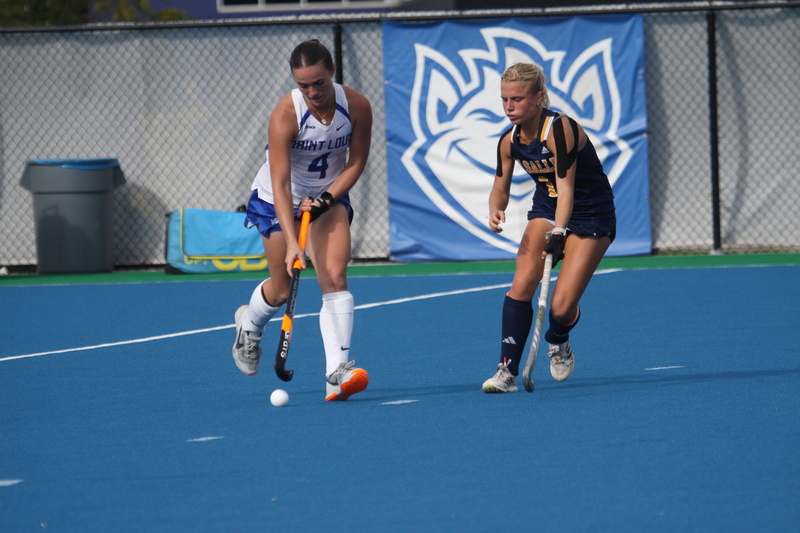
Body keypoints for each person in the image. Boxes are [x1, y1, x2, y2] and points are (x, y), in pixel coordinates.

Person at [232, 39, 373, 402]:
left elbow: (356, 162)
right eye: (303, 85)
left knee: (335, 275)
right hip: (277, 200)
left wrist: (327, 198)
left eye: (319, 83)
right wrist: (294, 241)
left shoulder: (356, 106)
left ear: (332, 73)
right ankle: (250, 324)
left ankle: (336, 374)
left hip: (326, 198)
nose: (312, 92)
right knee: (281, 290)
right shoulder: (286, 113)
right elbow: (279, 182)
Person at [482, 62, 616, 393]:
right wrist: (495, 209)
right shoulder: (508, 140)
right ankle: (506, 371)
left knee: (560, 307)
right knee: (523, 281)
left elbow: (566, 187)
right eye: (504, 100)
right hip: (547, 208)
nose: (509, 107)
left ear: (539, 97)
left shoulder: (560, 129)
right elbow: (500, 186)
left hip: (591, 213)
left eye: (517, 99)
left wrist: (560, 231)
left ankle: (558, 338)